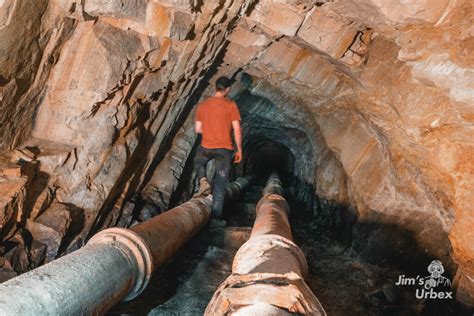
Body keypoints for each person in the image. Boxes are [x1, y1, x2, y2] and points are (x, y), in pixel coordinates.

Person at [193, 76, 242, 228]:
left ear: (216, 87)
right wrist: (239, 149)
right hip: (225, 150)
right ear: (227, 89)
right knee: (220, 184)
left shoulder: (202, 106)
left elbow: (198, 130)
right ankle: (215, 219)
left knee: (198, 161)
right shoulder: (231, 105)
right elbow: (237, 129)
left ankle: (203, 181)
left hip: (206, 147)